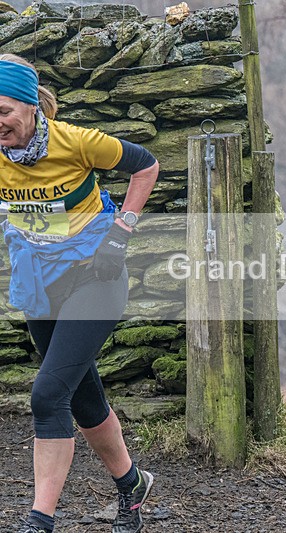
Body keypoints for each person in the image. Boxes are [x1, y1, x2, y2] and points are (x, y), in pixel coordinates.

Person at [0, 55, 159, 533]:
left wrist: (120, 231)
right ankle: (132, 484)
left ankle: (39, 521)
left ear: (30, 108)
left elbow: (147, 166)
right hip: (41, 284)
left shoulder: (76, 142)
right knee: (84, 400)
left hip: (96, 275)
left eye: (4, 110)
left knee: (48, 396)